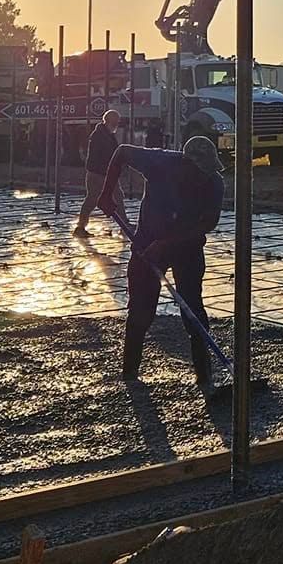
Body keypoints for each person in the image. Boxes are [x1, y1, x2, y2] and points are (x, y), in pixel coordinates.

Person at [100, 134, 226, 385]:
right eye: (199, 171)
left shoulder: (214, 182)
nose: (203, 176)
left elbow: (208, 223)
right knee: (140, 311)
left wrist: (167, 244)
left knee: (192, 310)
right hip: (147, 245)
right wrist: (106, 193)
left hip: (187, 248)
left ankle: (204, 376)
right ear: (186, 163)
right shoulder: (160, 162)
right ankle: (130, 374)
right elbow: (122, 151)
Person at [73, 110, 126, 235]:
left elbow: (114, 153)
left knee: (116, 196)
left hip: (106, 173)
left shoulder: (107, 135)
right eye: (115, 122)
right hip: (98, 174)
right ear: (109, 121)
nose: (117, 125)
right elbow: (101, 156)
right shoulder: (99, 136)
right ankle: (80, 227)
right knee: (93, 199)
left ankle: (124, 225)